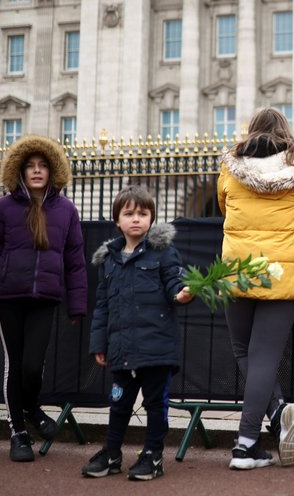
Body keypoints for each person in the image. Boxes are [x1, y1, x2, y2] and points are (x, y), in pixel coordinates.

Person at [217, 107, 294, 469]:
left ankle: (270, 417)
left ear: (251, 131)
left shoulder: (230, 167)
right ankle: (248, 440)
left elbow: (224, 205)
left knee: (244, 349)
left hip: (238, 269)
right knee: (264, 355)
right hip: (282, 273)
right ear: (286, 131)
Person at [0, 135, 87, 462]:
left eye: (42, 166)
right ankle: (18, 431)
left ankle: (32, 408)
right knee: (15, 365)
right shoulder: (3, 208)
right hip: (7, 296)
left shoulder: (66, 210)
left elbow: (75, 260)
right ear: (20, 171)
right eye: (30, 166)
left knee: (33, 366)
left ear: (52, 171)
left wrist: (77, 304)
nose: (36, 171)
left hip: (45, 298)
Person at [81, 185, 194, 481]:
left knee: (155, 404)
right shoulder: (109, 259)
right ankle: (112, 452)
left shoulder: (163, 251)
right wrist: (99, 343)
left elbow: (174, 282)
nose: (136, 219)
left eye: (143, 213)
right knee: (118, 403)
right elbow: (102, 305)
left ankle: (153, 455)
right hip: (121, 347)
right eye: (128, 213)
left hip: (156, 348)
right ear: (117, 220)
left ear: (152, 218)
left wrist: (182, 293)